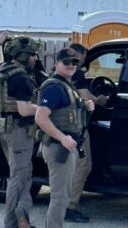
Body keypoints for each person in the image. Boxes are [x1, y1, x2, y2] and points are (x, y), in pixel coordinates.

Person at [35, 48, 94, 228]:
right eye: (66, 62)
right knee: (60, 197)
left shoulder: (66, 86)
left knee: (62, 195)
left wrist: (86, 106)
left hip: (66, 147)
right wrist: (62, 138)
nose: (70, 66)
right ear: (56, 64)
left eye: (74, 63)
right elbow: (40, 117)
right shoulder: (54, 87)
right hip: (58, 148)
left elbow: (67, 113)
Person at [0, 35, 40, 228]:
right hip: (19, 131)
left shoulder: (4, 69)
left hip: (3, 129)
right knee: (18, 178)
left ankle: (22, 216)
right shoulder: (20, 77)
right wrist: (45, 110)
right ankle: (11, 222)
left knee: (23, 174)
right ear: (22, 55)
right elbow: (24, 109)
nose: (35, 58)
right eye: (32, 55)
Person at [62, 43, 109, 223]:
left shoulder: (58, 73)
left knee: (67, 167)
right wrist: (100, 100)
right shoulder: (78, 73)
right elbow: (85, 96)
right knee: (83, 165)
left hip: (62, 124)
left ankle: (63, 203)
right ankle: (69, 206)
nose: (81, 61)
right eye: (84, 56)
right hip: (76, 127)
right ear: (80, 54)